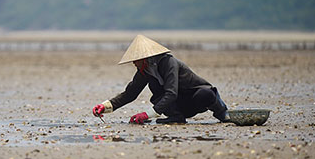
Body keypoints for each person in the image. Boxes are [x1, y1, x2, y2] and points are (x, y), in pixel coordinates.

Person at [92, 34, 229, 124]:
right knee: (157, 92)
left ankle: (222, 113)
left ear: (144, 58)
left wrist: (148, 115)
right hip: (179, 105)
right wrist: (105, 106)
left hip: (195, 98)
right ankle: (176, 117)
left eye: (136, 60)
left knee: (206, 93)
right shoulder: (145, 70)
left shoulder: (169, 63)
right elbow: (130, 93)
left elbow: (172, 93)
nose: (134, 63)